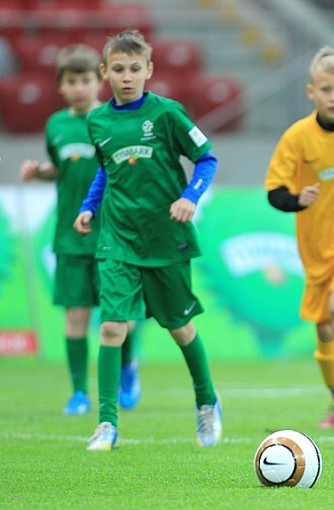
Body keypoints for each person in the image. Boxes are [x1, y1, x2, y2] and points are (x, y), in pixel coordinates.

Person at [74, 30, 221, 451]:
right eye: (118, 69)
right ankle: (106, 423)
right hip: (117, 240)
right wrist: (89, 206)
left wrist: (190, 196)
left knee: (180, 329)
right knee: (112, 328)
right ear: (105, 72)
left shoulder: (168, 114)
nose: (126, 76)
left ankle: (207, 401)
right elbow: (106, 170)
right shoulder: (97, 120)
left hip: (165, 240)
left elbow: (207, 158)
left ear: (148, 71)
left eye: (134, 69)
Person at [18, 44, 141, 416]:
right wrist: (40, 172)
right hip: (70, 237)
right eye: (71, 81)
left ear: (99, 81)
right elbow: (63, 169)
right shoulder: (56, 125)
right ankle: (78, 393)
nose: (79, 87)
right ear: (61, 85)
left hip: (112, 235)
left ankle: (126, 371)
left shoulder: (109, 121)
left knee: (119, 315)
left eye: (85, 79)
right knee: (76, 316)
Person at [265, 46, 334, 429]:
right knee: (325, 327)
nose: (332, 96)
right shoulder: (297, 136)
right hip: (313, 250)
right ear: (311, 91)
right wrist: (298, 199)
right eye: (325, 89)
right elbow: (274, 191)